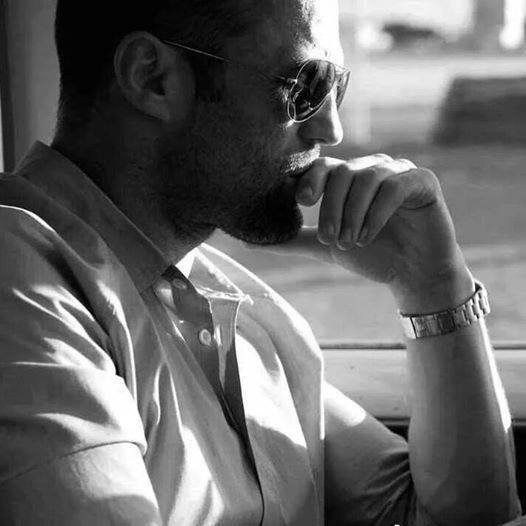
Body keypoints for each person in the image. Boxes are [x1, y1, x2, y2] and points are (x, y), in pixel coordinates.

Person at [0, 0, 521, 525]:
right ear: (152, 78)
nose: (332, 131)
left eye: (337, 89)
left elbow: (443, 515)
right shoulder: (21, 285)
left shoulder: (241, 310)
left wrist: (433, 286)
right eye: (307, 86)